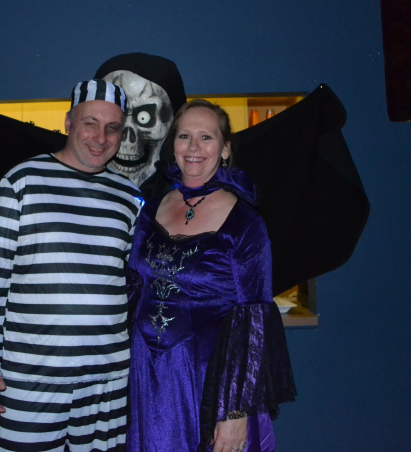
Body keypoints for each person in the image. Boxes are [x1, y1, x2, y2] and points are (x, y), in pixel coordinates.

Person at [0, 79, 143, 452]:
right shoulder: (21, 182)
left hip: (107, 382)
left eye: (112, 128)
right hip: (30, 377)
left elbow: (133, 285)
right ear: (68, 123)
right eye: (90, 123)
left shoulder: (129, 197)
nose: (101, 138)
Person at [126, 100, 296, 452]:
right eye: (184, 136)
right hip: (147, 373)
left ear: (225, 149)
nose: (193, 147)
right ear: (173, 145)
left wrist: (235, 410)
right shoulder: (150, 210)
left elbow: (253, 318)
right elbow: (133, 289)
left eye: (206, 137)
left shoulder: (245, 223)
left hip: (207, 378)